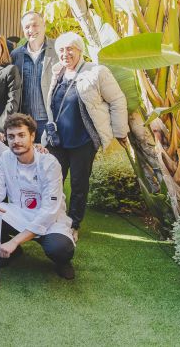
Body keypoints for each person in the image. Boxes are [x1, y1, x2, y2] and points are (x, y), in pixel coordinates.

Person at [45, 32, 129, 240]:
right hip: (58, 139)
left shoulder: (97, 71)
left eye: (70, 49)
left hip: (82, 139)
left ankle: (74, 223)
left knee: (79, 183)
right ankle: (52, 218)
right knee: (53, 180)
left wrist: (119, 132)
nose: (66, 54)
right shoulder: (58, 72)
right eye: (62, 50)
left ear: (80, 50)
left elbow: (117, 100)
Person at [0, 113, 76, 279]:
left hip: (50, 221)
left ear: (32, 136)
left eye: (21, 135)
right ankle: (15, 253)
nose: (16, 141)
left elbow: (49, 212)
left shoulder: (49, 163)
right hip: (19, 213)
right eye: (11, 136)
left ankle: (62, 262)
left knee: (60, 248)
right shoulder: (5, 158)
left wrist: (14, 241)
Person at [11, 11, 58, 142]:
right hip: (25, 121)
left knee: (50, 159)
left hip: (51, 119)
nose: (31, 30)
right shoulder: (16, 55)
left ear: (44, 26)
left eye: (35, 25)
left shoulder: (58, 49)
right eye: (27, 27)